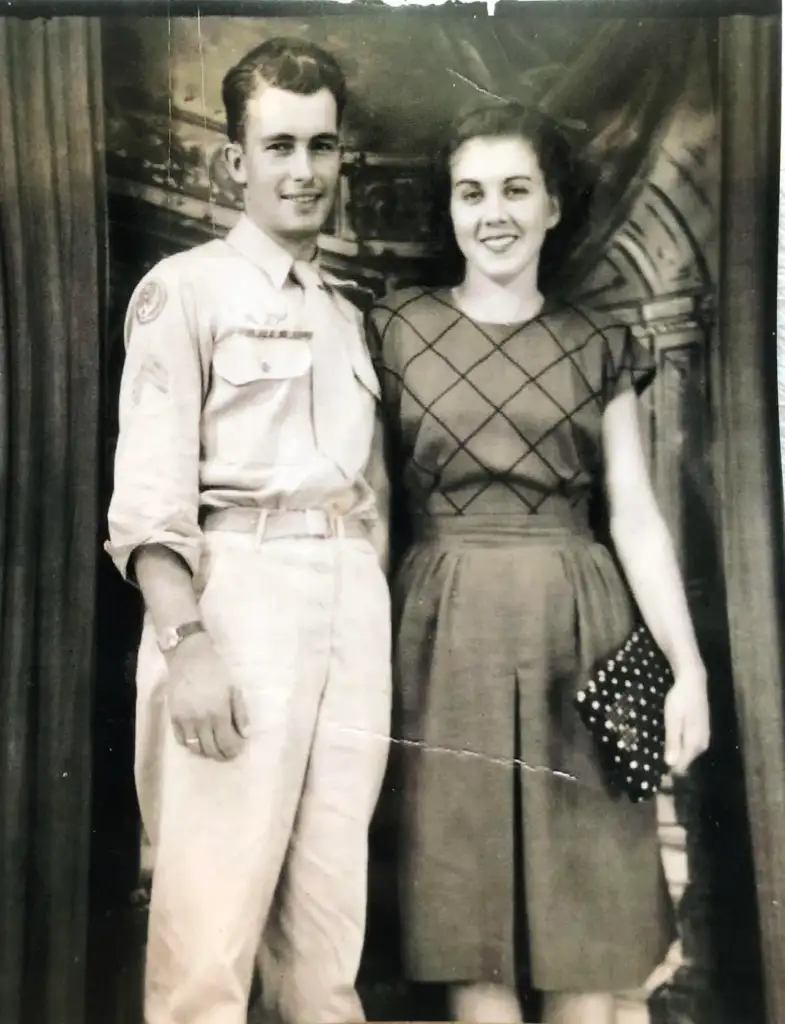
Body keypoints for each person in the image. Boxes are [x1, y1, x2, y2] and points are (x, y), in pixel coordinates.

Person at [369, 100, 710, 1024]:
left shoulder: (597, 344)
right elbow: (370, 509)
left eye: (516, 189)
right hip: (440, 640)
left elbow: (634, 514)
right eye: (471, 192)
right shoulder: (393, 332)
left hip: (578, 632)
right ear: (448, 209)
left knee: (584, 928)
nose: (494, 213)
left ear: (553, 205)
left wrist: (687, 668)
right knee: (463, 916)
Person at [105, 37, 391, 1024]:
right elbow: (148, 495)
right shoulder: (183, 291)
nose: (302, 171)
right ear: (236, 160)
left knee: (326, 938)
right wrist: (185, 643)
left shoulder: (348, 317)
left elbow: (371, 491)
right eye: (278, 146)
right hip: (237, 597)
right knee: (207, 943)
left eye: (320, 145)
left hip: (351, 600)